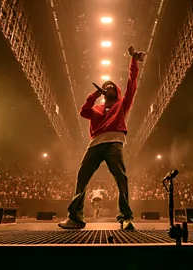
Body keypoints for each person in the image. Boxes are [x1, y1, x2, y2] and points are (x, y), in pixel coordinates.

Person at [59, 45, 145, 230]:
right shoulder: (96, 108)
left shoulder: (122, 104)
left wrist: (133, 62)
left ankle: (126, 217)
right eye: (105, 87)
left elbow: (132, 83)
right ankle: (75, 218)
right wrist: (94, 95)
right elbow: (83, 112)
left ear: (117, 91)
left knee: (120, 178)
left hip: (114, 142)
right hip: (95, 144)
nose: (108, 88)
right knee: (82, 177)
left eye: (111, 86)